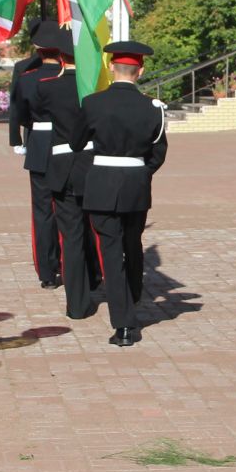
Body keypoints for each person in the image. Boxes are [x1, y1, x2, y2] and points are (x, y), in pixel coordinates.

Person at [78, 41, 170, 346]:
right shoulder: (152, 108)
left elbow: (77, 142)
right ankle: (132, 300)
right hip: (136, 185)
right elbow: (158, 153)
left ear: (110, 68)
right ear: (140, 71)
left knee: (111, 254)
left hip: (102, 183)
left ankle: (124, 324)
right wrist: (141, 174)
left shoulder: (92, 103)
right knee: (133, 245)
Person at [34, 25, 98, 322]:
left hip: (60, 166)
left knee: (71, 237)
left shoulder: (46, 87)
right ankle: (96, 280)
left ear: (60, 57)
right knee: (95, 230)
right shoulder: (93, 88)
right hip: (90, 164)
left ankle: (77, 303)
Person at [8, 26, 63, 287]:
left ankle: (47, 272)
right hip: (66, 144)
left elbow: (17, 112)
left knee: (43, 213)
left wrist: (17, 139)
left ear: (39, 50)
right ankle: (71, 263)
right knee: (70, 210)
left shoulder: (28, 78)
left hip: (40, 144)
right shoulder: (70, 77)